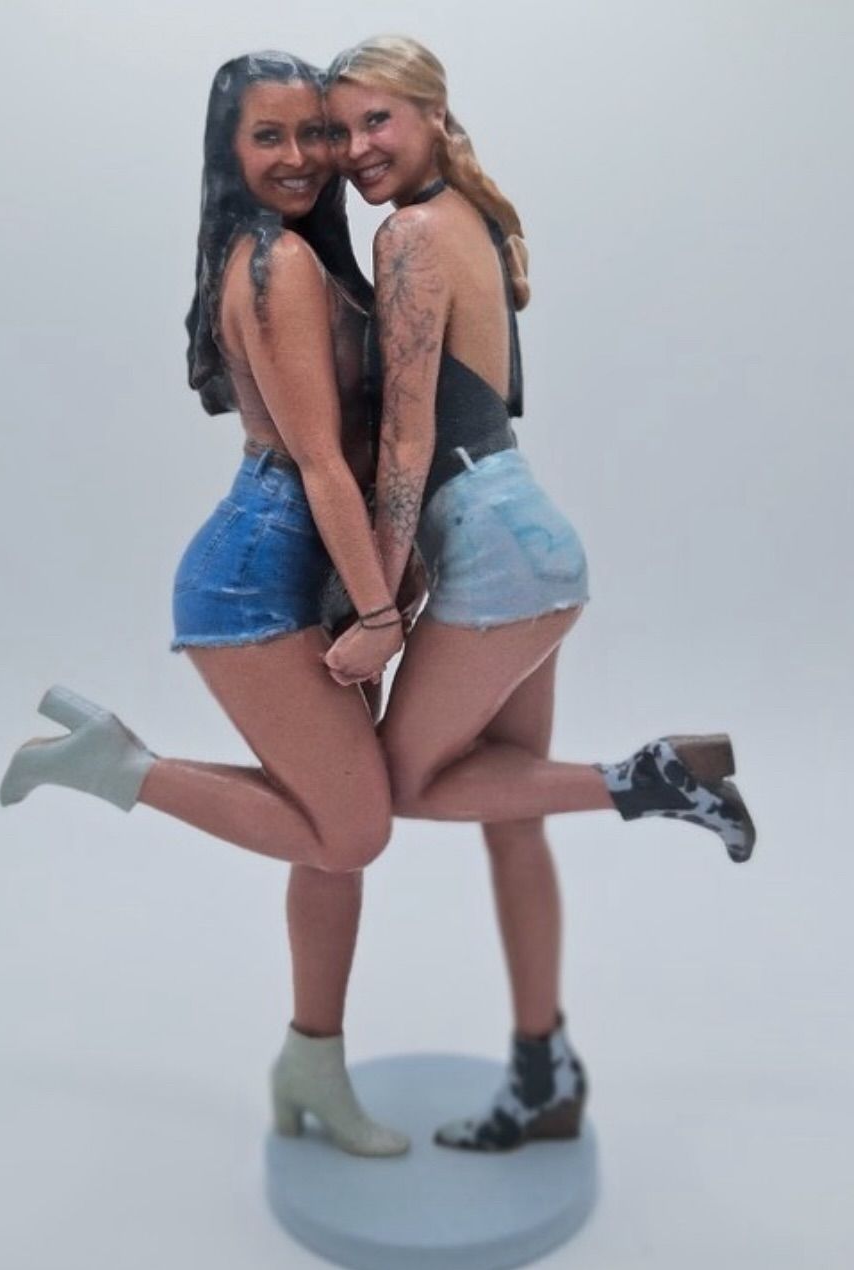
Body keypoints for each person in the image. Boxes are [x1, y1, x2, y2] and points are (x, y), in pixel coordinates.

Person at [322, 35, 756, 1152]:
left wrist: (378, 604)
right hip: (526, 534)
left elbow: (410, 433)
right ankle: (543, 1075)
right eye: (343, 126)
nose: (358, 147)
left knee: (404, 788)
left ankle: (649, 779)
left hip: (495, 546)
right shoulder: (464, 215)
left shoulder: (413, 233)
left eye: (379, 120)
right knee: (510, 816)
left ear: (428, 113)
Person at [0, 51, 408, 1156]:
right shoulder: (274, 266)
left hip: (308, 567)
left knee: (326, 849)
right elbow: (323, 462)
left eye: (315, 135)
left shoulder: (298, 259)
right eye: (269, 137)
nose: (300, 158)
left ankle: (310, 1065)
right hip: (257, 576)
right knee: (357, 827)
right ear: (230, 152)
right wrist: (380, 615)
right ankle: (116, 767)